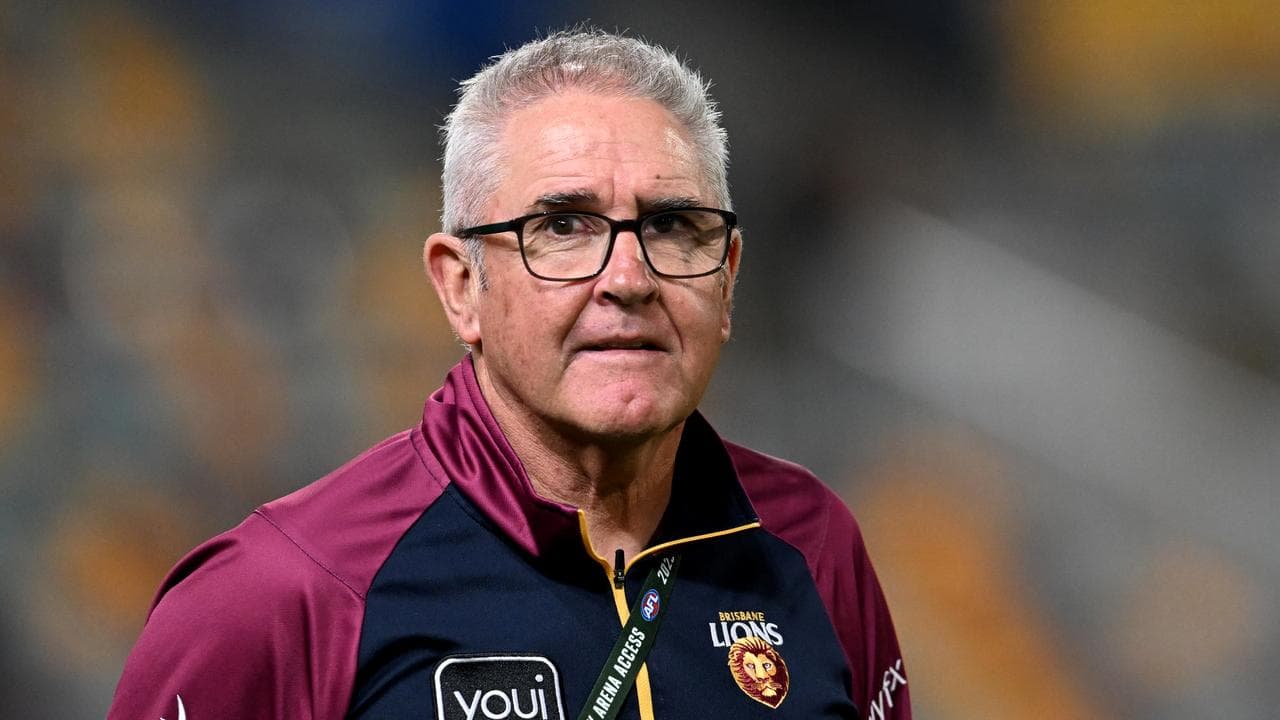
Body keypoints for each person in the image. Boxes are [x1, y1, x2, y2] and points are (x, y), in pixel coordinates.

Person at [108, 29, 911, 720]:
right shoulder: (279, 596)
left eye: (672, 225)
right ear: (462, 287)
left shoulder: (813, 545)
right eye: (562, 226)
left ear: (727, 279)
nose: (628, 278)